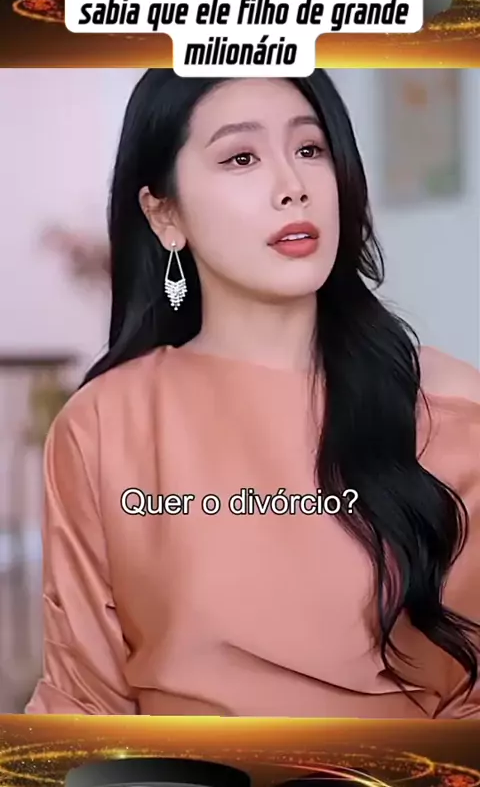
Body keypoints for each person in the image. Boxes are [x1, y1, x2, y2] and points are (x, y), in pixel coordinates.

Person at [27, 70, 480, 717]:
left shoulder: (450, 408)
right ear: (165, 214)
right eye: (241, 157)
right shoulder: (103, 424)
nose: (293, 185)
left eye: (310, 149)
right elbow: (83, 699)